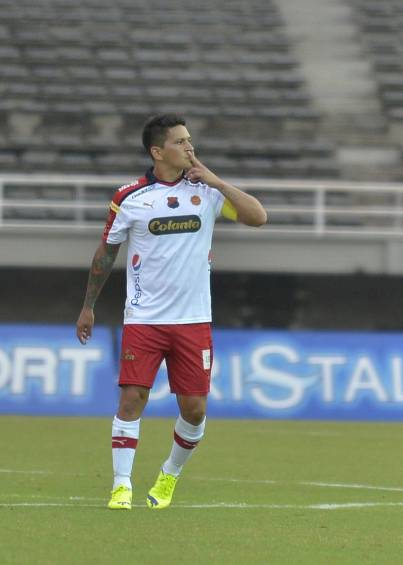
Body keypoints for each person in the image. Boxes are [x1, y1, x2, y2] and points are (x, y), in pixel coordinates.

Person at [75, 113, 267, 510]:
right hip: (144, 318)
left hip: (193, 320)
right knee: (132, 399)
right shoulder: (130, 197)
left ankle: (168, 476)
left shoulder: (209, 195)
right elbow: (106, 253)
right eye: (180, 142)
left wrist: (214, 180)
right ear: (157, 151)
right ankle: (121, 485)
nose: (189, 147)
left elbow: (257, 217)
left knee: (194, 411)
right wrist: (88, 306)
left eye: (190, 140)